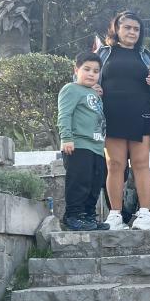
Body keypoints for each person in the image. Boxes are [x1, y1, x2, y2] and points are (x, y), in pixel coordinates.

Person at [97, 11, 150, 230]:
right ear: (117, 29)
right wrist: (91, 85)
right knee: (114, 165)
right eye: (127, 27)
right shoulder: (103, 53)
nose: (132, 32)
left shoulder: (147, 56)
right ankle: (115, 216)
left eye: (136, 29)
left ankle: (146, 215)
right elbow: (83, 76)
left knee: (141, 164)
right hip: (111, 116)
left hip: (142, 114)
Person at [57, 52, 109, 231]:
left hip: (96, 147)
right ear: (76, 69)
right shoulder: (70, 89)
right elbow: (65, 114)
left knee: (94, 183)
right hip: (78, 145)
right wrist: (66, 138)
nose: (91, 74)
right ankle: (73, 215)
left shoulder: (93, 92)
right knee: (79, 182)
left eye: (96, 71)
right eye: (86, 69)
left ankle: (88, 216)